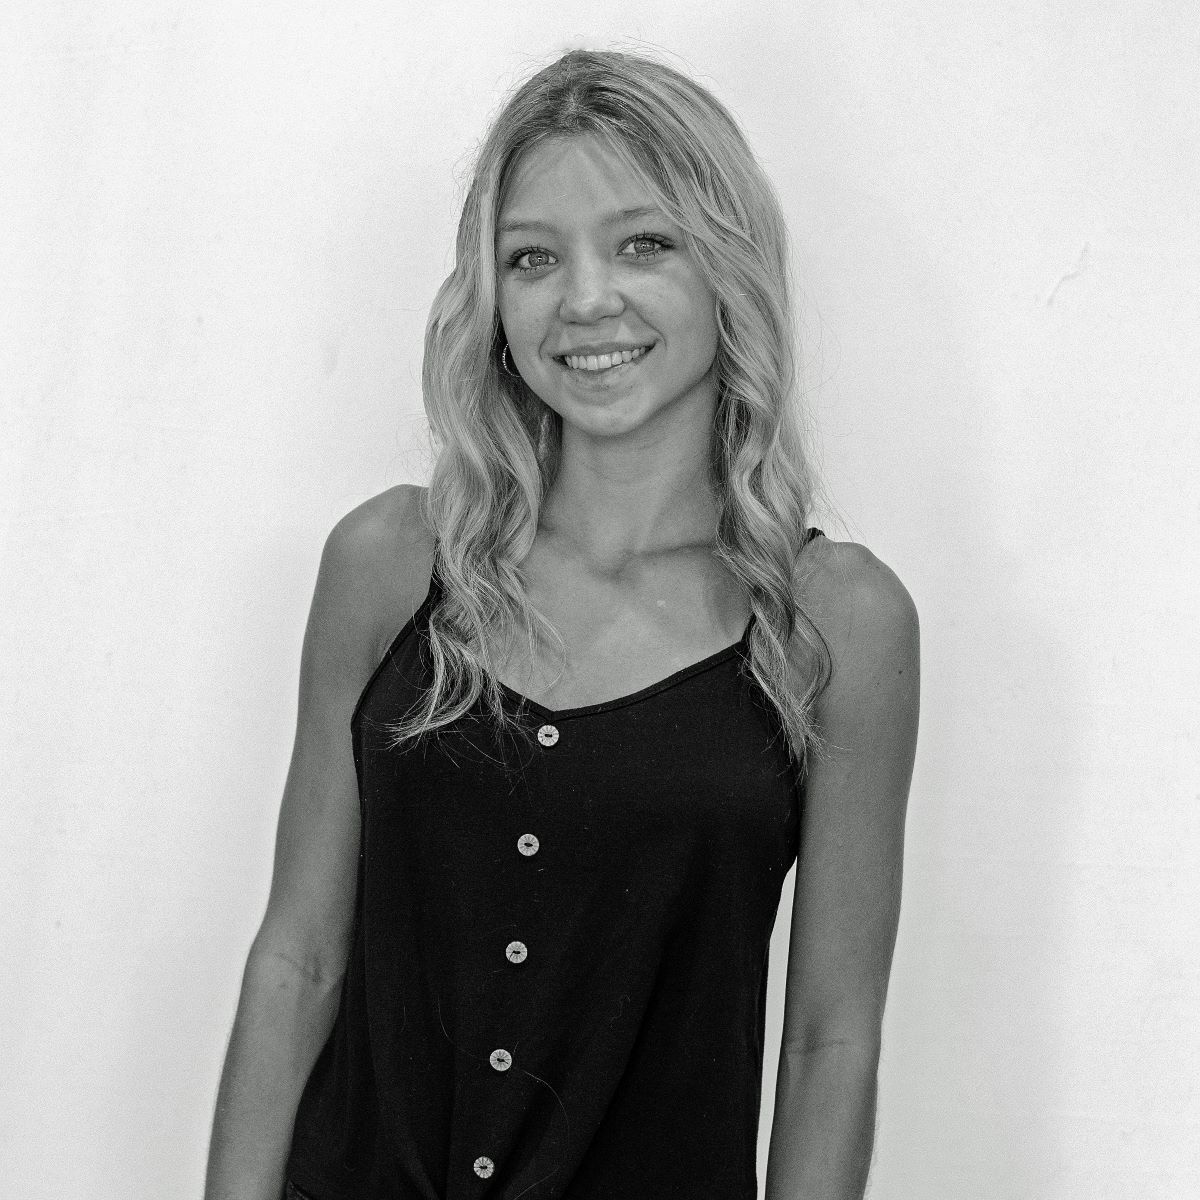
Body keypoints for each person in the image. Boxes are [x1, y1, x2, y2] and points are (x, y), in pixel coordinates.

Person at [204, 47, 920, 1200]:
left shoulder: (834, 623)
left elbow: (830, 1039)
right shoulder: (389, 564)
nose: (586, 299)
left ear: (727, 265)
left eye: (645, 243)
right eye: (532, 257)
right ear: (492, 298)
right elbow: (299, 958)